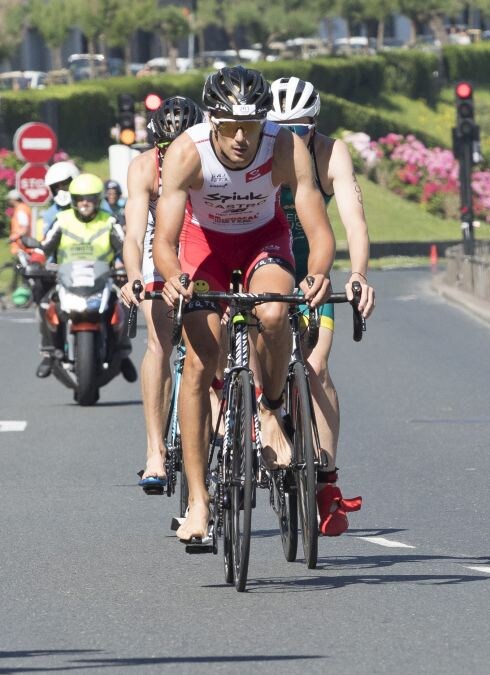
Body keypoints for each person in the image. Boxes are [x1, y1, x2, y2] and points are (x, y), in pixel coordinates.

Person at [153, 66, 335, 543]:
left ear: (263, 122)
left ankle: (271, 410)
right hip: (203, 247)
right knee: (200, 362)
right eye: (229, 126)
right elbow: (165, 240)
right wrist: (173, 278)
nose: (239, 138)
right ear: (211, 121)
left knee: (274, 312)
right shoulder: (186, 152)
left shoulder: (283, 147)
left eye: (250, 126)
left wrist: (317, 273)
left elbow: (316, 226)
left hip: (263, 241)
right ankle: (198, 501)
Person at [267, 76, 374, 535]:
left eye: (301, 128)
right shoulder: (259, 150)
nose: (291, 137)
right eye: (281, 127)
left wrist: (357, 275)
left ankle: (326, 479)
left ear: (315, 125)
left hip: (313, 262)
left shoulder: (332, 154)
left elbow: (353, 219)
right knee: (258, 347)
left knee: (316, 367)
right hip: (265, 259)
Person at [119, 95, 205, 494]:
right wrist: (134, 274)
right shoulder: (142, 167)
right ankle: (155, 450)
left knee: (213, 339)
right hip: (160, 244)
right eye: (166, 148)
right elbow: (135, 233)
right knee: (159, 343)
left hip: (203, 241)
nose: (174, 155)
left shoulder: (209, 160)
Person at [28, 173, 137, 381]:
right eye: (79, 198)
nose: (85, 203)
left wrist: (132, 268)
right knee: (45, 305)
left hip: (104, 278)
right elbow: (44, 247)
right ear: (73, 200)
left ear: (98, 199)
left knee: (125, 302)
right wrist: (35, 262)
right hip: (66, 278)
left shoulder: (109, 221)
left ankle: (123, 353)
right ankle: (49, 352)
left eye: (90, 198)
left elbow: (125, 248)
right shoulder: (62, 220)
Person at [7, 190, 32, 256]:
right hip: (22, 244)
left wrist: (14, 237)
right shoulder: (21, 208)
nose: (9, 201)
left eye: (9, 199)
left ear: (14, 199)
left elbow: (24, 229)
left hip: (22, 245)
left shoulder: (21, 210)